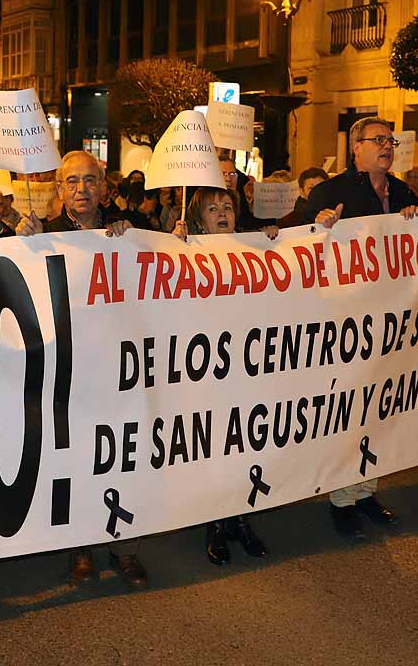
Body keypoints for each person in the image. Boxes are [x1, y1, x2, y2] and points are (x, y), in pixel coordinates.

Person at [15, 151, 148, 587]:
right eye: (71, 182)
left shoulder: (124, 233)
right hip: (68, 373)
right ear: (58, 190)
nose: (81, 190)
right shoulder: (43, 236)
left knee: (122, 459)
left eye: (90, 181)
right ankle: (80, 548)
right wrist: (17, 244)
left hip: (118, 371)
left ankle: (125, 548)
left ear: (104, 187)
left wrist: (137, 240)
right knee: (76, 460)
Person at [303, 116, 418, 540]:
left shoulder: (405, 192)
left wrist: (413, 219)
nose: (387, 146)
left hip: (392, 320)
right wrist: (319, 227)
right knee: (350, 412)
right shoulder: (332, 192)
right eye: (378, 140)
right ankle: (341, 499)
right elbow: (294, 241)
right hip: (347, 320)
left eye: (391, 140)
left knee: (382, 407)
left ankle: (368, 489)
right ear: (356, 148)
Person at [171, 186, 275, 565]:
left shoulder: (254, 249)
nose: (222, 213)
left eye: (228, 207)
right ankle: (215, 524)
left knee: (245, 444)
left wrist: (271, 244)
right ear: (199, 218)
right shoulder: (183, 251)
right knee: (214, 447)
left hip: (246, 371)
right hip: (205, 374)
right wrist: (174, 244)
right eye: (213, 208)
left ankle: (240, 518)